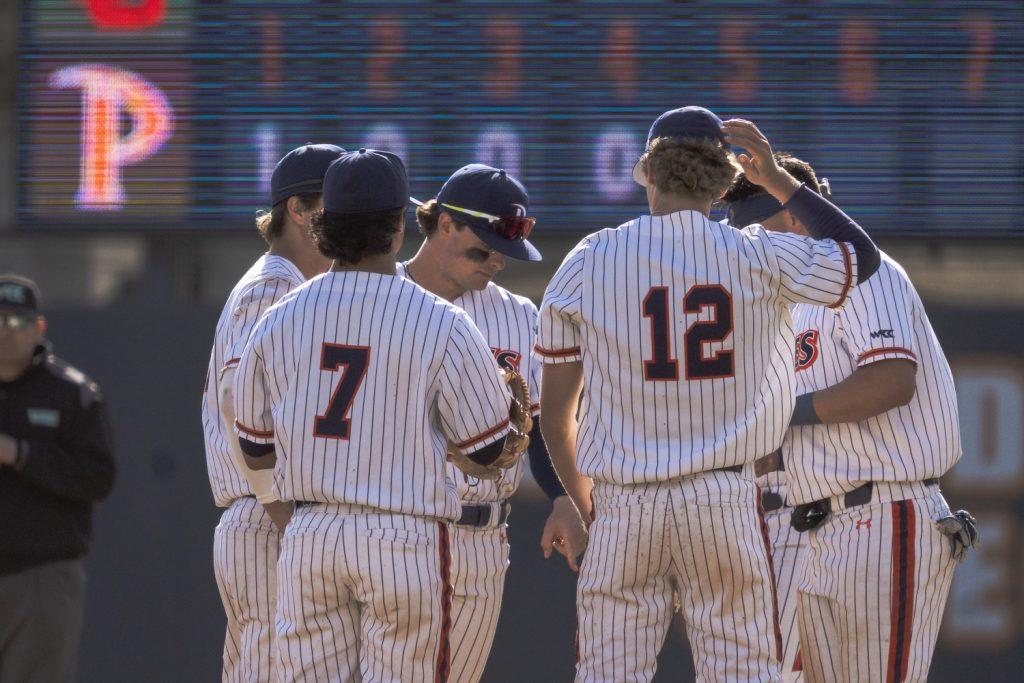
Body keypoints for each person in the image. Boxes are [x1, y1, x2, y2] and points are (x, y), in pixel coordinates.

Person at [535, 107, 881, 682]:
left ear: (645, 171)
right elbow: (859, 257)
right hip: (723, 501)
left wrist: (585, 503)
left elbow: (554, 418)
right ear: (724, 184)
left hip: (624, 504)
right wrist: (777, 179)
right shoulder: (757, 254)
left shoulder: (587, 259)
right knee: (743, 672)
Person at [232, 149, 527, 681]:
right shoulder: (442, 321)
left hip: (312, 536)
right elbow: (488, 449)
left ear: (324, 227)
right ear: (397, 229)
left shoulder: (280, 318)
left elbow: (254, 444)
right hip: (403, 539)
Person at [725, 153, 977, 682]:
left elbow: (890, 381)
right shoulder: (789, 303)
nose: (752, 247)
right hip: (823, 529)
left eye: (760, 232)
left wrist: (779, 414)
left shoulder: (867, 273)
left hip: (887, 512)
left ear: (797, 216)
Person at [400, 163, 586, 682]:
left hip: (479, 534)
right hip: (393, 527)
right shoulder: (379, 297)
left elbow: (543, 424)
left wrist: (561, 498)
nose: (493, 264)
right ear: (444, 225)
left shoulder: (517, 315)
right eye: (481, 249)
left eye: (502, 254)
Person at [201, 142, 343, 681]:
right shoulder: (272, 288)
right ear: (298, 211)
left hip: (275, 513)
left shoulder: (298, 285)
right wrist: (284, 512)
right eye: (335, 205)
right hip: (265, 515)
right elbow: (243, 405)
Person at [0, 274, 115, 683]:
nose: (5, 332)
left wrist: (20, 454)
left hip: (41, 575)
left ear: (38, 327)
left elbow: (97, 478)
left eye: (16, 322)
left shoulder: (71, 393)